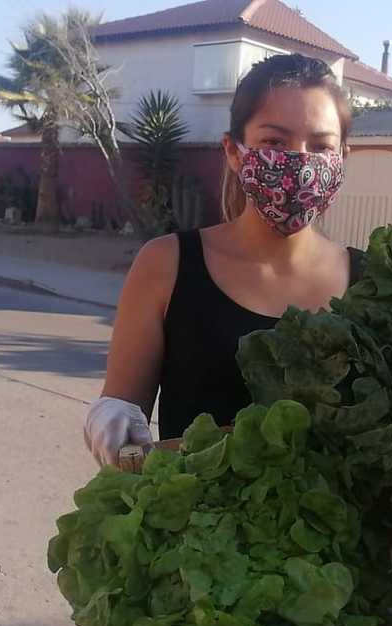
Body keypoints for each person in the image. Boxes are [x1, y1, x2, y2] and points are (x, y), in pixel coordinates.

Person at [82, 54, 361, 467]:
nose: (299, 163)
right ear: (234, 151)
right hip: (197, 527)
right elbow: (126, 436)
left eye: (320, 146)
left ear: (341, 160)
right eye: (274, 143)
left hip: (337, 530)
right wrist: (113, 431)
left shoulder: (374, 284)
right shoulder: (167, 264)